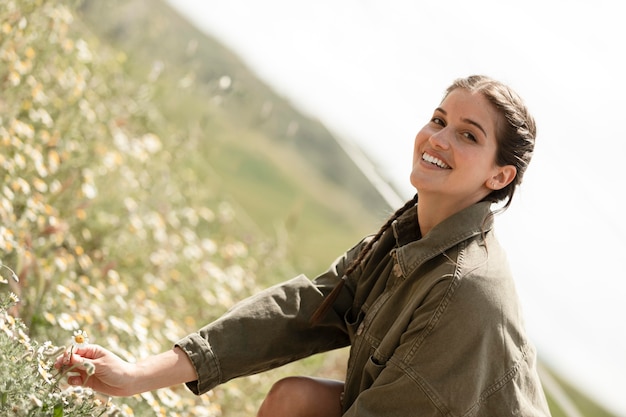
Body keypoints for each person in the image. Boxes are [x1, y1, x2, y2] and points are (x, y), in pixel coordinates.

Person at [55, 75, 552, 416]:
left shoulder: (464, 291)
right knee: (294, 401)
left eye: (468, 135)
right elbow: (301, 312)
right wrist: (137, 374)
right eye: (439, 120)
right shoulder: (409, 235)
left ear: (498, 175)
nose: (439, 139)